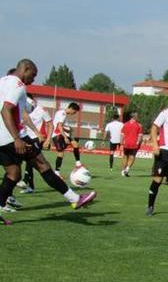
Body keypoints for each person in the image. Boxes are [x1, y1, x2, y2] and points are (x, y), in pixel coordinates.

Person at [0, 59, 97, 225]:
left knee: (13, 174)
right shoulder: (18, 85)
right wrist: (17, 138)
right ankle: (74, 198)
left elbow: (21, 113)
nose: (34, 79)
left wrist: (34, 131)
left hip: (1, 138)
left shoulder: (2, 81)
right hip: (12, 135)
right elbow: (6, 110)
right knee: (43, 165)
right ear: (25, 68)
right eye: (33, 74)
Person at [20, 95, 52, 194]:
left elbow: (50, 124)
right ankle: (29, 185)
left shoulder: (41, 110)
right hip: (25, 138)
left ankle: (27, 183)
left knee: (32, 161)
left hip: (36, 138)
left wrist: (48, 140)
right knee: (28, 162)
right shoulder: (22, 110)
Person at [51, 102, 84, 174]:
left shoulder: (61, 113)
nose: (74, 113)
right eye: (74, 112)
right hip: (57, 135)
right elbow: (59, 126)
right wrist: (65, 137)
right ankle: (57, 172)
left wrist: (67, 130)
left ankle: (78, 164)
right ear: (71, 109)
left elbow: (59, 125)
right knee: (61, 153)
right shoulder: (62, 114)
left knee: (75, 144)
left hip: (60, 134)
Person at [120, 112, 143, 177]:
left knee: (125, 157)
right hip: (134, 144)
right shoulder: (139, 125)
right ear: (134, 117)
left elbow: (122, 135)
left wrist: (121, 143)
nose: (138, 117)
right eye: (137, 116)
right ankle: (127, 169)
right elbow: (140, 136)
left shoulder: (125, 124)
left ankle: (122, 171)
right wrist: (139, 143)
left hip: (126, 143)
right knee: (132, 157)